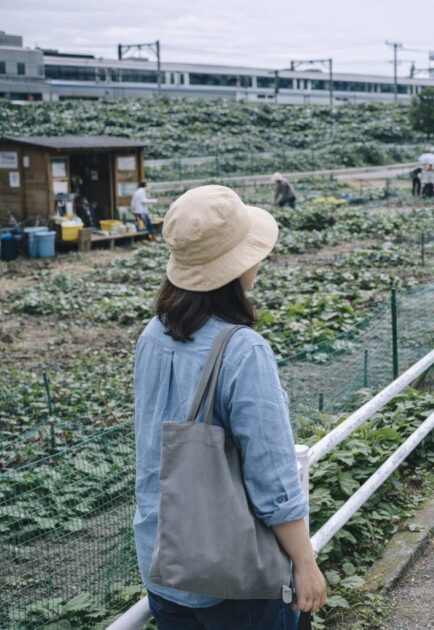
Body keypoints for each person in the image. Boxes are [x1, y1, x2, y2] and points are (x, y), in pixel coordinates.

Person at [134, 185, 327, 628]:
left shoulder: (152, 336)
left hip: (164, 563)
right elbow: (272, 472)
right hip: (233, 575)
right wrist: (304, 561)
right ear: (236, 265)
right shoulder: (242, 350)